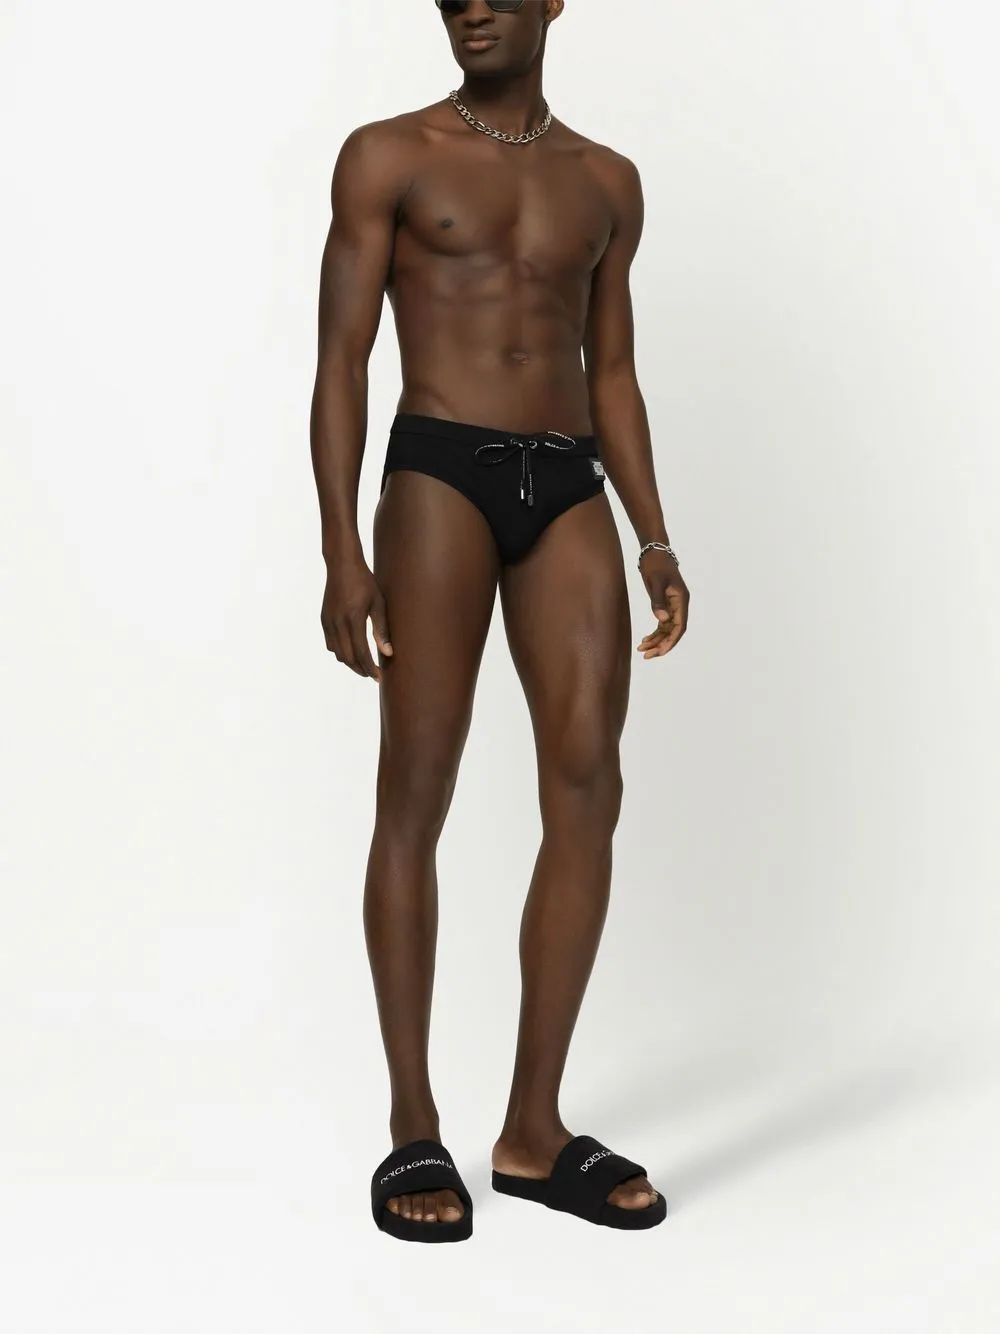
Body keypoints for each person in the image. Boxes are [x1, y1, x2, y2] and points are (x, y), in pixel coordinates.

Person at [310, 0, 689, 1243]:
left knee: (588, 782)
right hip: (439, 469)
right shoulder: (388, 155)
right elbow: (342, 358)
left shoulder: (607, 181)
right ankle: (412, 1123)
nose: (469, 4)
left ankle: (532, 1129)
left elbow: (611, 368)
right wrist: (340, 546)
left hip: (567, 477)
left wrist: (653, 534)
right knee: (415, 788)